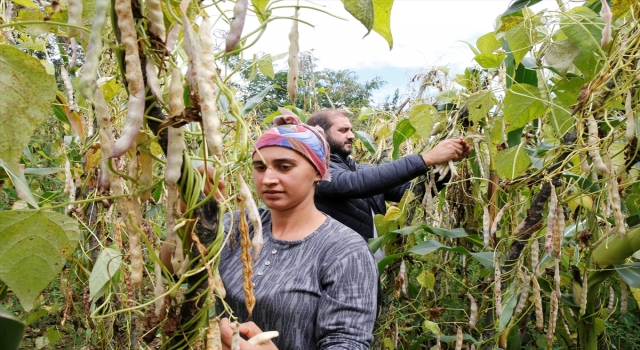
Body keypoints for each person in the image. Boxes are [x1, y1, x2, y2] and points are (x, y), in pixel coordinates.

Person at [162, 114, 378, 349]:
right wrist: (191, 213)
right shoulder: (235, 225)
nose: (268, 179)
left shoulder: (345, 250)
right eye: (260, 167)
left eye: (285, 167)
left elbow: (348, 343)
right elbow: (172, 269)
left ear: (318, 171)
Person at [306, 109, 471, 243]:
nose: (351, 135)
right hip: (338, 264)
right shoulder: (314, 170)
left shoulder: (360, 169)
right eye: (343, 130)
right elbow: (354, 183)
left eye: (350, 130)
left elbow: (410, 193)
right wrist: (426, 159)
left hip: (372, 261)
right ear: (321, 134)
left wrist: (445, 165)